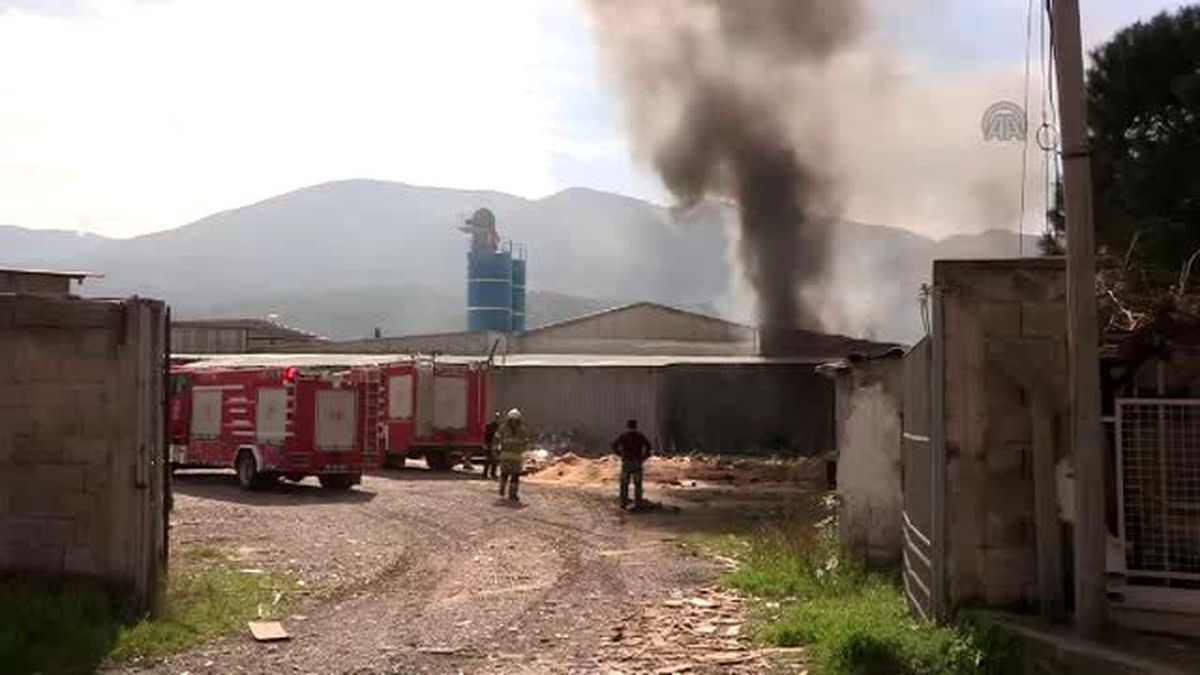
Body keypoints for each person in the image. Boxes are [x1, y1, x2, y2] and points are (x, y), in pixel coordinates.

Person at [613, 419, 652, 509]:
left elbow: (614, 445)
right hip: (637, 462)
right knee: (638, 483)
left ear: (628, 426)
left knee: (624, 483)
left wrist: (620, 454)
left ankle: (623, 502)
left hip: (626, 462)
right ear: (636, 426)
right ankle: (638, 502)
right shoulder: (640, 436)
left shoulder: (624, 436)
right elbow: (649, 447)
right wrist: (644, 458)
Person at [495, 408, 528, 502]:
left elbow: (496, 439)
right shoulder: (522, 429)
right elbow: (526, 442)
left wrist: (496, 451)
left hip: (505, 456)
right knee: (515, 476)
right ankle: (512, 494)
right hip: (516, 457)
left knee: (504, 474)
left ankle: (502, 489)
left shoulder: (503, 428)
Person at [482, 412, 502, 480]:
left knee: (494, 461)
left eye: (498, 418)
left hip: (494, 445)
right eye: (496, 417)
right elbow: (486, 436)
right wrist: (485, 444)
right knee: (489, 460)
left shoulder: (499, 426)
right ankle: (485, 474)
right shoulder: (490, 426)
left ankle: (492, 474)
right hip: (490, 444)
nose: (497, 419)